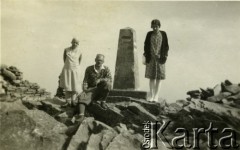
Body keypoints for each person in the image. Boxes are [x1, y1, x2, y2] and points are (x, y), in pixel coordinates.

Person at [74, 54, 112, 122]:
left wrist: (101, 80)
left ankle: (103, 101)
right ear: (95, 60)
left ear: (103, 61)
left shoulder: (106, 69)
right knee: (82, 97)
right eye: (97, 60)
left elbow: (109, 79)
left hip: (101, 89)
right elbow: (85, 80)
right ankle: (81, 115)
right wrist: (85, 89)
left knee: (108, 84)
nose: (99, 62)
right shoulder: (89, 68)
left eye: (100, 60)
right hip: (91, 89)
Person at [143, 19, 169, 102]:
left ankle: (156, 96)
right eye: (153, 27)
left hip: (160, 59)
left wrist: (163, 55)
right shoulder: (149, 34)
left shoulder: (163, 34)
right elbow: (146, 44)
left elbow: (166, 47)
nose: (154, 28)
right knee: (151, 77)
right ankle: (151, 96)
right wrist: (147, 54)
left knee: (159, 78)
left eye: (156, 27)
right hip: (151, 58)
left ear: (159, 26)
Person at [60, 38, 82, 107]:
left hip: (75, 70)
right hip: (67, 69)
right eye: (74, 42)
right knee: (67, 85)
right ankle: (67, 101)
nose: (75, 44)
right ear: (71, 42)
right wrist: (68, 66)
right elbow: (64, 59)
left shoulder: (80, 51)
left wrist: (75, 67)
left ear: (78, 44)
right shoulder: (66, 50)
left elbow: (79, 61)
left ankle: (73, 101)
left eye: (76, 43)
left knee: (75, 85)